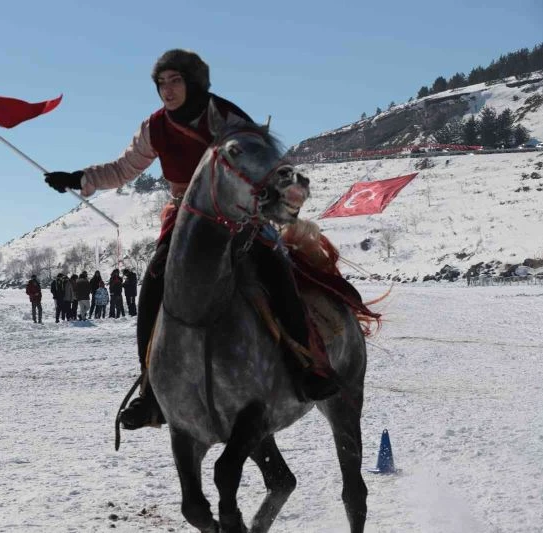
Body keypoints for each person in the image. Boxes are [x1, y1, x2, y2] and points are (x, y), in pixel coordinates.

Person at [44, 49, 337, 430]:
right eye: (161, 83)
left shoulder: (228, 118)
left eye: (175, 81)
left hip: (238, 214)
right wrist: (80, 178)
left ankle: (306, 367)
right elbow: (124, 168)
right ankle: (151, 392)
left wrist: (275, 196)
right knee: (153, 283)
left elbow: (265, 163)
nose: (167, 90)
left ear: (195, 83)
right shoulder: (155, 127)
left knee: (276, 272)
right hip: (186, 215)